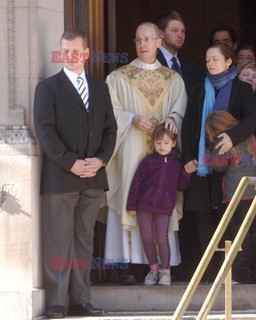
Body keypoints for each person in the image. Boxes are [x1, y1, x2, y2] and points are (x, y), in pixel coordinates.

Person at [34, 29, 116, 318]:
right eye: (64, 51)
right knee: (59, 241)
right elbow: (45, 131)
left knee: (84, 241)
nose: (69, 56)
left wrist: (101, 160)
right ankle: (57, 303)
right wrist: (71, 162)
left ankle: (81, 301)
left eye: (74, 51)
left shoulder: (100, 87)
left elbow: (110, 129)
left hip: (93, 178)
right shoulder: (48, 88)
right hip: (61, 178)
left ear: (86, 53)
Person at [104, 22, 187, 283]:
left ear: (159, 41)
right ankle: (128, 265)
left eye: (148, 39)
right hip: (131, 147)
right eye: (138, 40)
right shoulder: (118, 77)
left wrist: (173, 118)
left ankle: (163, 266)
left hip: (162, 152)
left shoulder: (173, 78)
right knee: (131, 193)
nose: (143, 44)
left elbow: (179, 107)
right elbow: (110, 113)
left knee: (161, 201)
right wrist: (130, 119)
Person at [181, 43, 256, 280]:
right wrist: (188, 158)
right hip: (204, 165)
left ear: (228, 62)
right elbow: (188, 126)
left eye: (215, 59)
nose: (210, 63)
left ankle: (239, 273)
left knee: (235, 221)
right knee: (204, 218)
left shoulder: (241, 88)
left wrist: (231, 137)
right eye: (207, 59)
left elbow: (253, 118)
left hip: (231, 164)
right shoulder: (198, 89)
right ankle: (210, 274)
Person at [126, 124, 191, 286]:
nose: (162, 146)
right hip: (144, 206)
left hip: (164, 207)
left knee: (162, 239)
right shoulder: (148, 162)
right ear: (153, 143)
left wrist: (187, 173)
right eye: (158, 143)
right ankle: (154, 269)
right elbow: (136, 184)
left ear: (174, 143)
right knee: (146, 237)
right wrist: (131, 205)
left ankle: (166, 272)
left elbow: (181, 187)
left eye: (166, 142)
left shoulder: (177, 164)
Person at [205, 110, 256, 284]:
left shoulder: (224, 140)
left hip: (235, 195)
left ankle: (240, 276)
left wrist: (210, 151)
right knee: (254, 236)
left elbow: (218, 167)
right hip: (255, 193)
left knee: (239, 236)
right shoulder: (249, 136)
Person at [156, 10, 202, 95]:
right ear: (161, 33)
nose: (180, 35)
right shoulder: (152, 62)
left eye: (183, 31)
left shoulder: (190, 64)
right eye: (175, 30)